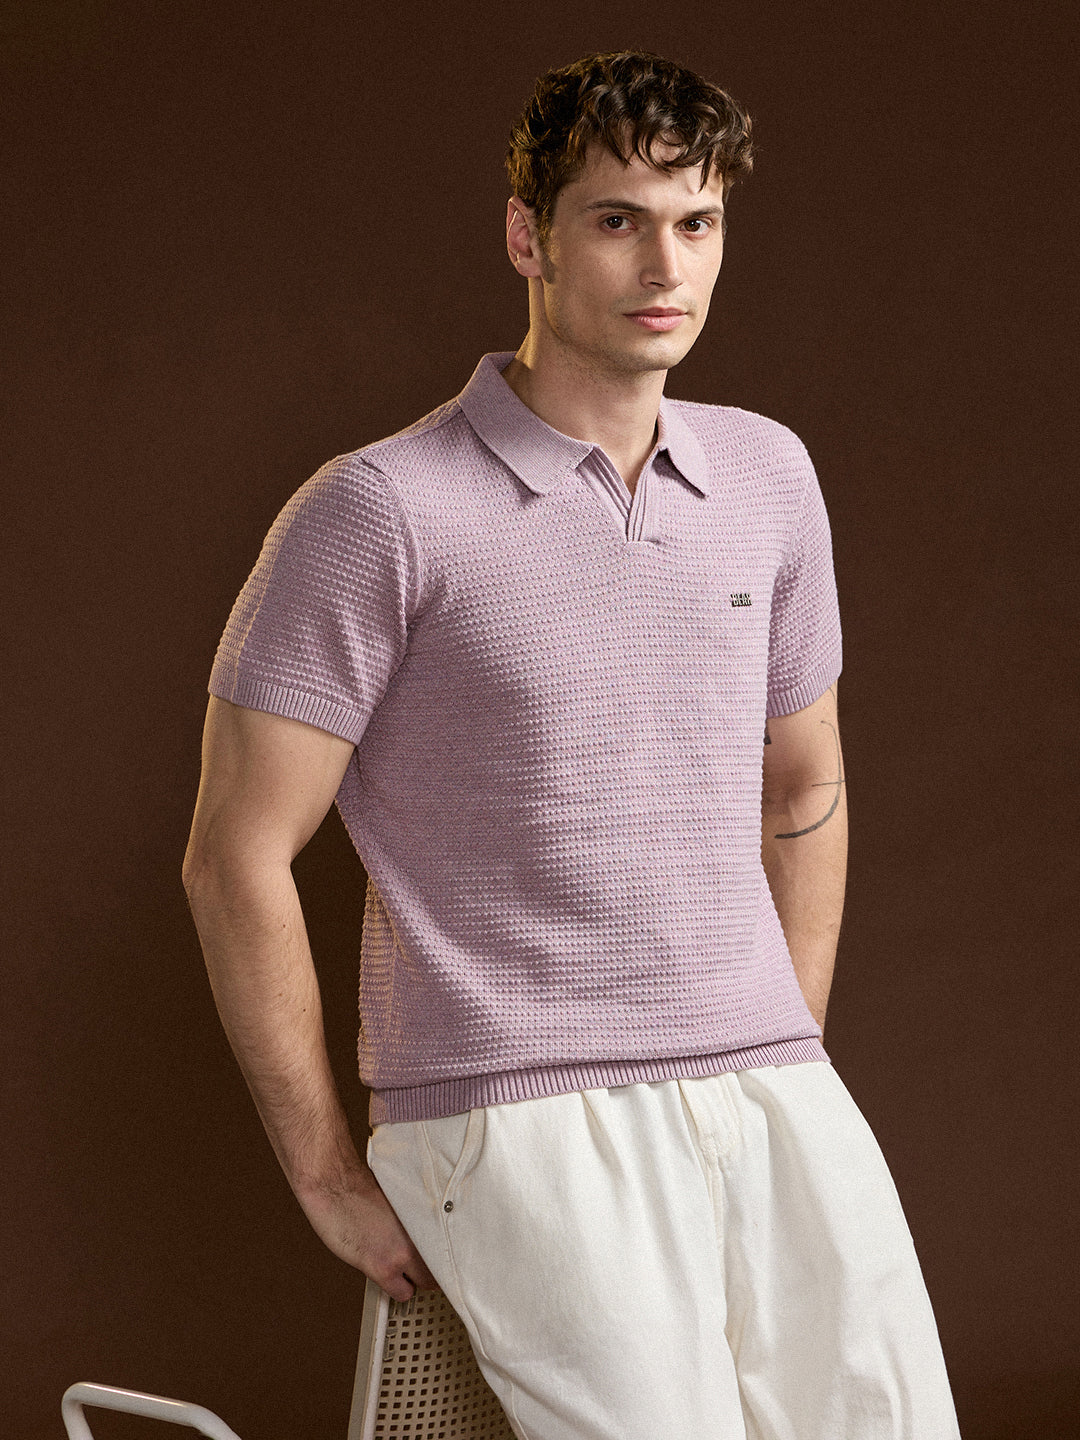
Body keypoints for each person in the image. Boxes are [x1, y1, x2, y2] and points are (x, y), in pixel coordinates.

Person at [184, 50, 960, 1440]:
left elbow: (804, 784)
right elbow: (234, 853)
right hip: (523, 1108)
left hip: (769, 1081)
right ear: (526, 236)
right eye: (617, 220)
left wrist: (787, 1039)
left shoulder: (770, 476)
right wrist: (324, 1174)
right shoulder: (381, 510)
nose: (667, 265)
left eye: (697, 221)